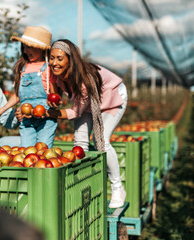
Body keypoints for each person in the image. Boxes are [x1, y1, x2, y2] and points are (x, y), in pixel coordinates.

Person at [46, 39, 128, 208]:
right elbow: (53, 87)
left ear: (70, 59)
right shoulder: (53, 71)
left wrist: (49, 113)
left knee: (101, 141)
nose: (54, 63)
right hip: (86, 103)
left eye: (60, 59)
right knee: (80, 142)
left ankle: (117, 188)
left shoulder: (83, 79)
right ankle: (81, 185)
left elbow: (75, 112)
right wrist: (53, 100)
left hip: (112, 99)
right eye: (52, 58)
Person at [0, 26, 58, 148]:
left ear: (41, 48)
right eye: (24, 47)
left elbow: (54, 96)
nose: (25, 51)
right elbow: (17, 95)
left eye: (29, 47)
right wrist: (2, 109)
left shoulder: (48, 69)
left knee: (43, 151)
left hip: (45, 119)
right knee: (27, 152)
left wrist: (53, 105)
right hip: (26, 120)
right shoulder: (22, 68)